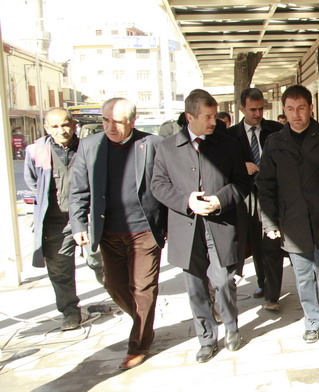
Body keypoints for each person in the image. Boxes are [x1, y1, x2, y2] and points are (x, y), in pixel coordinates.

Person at [151, 89, 251, 363]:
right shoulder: (167, 148)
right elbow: (158, 185)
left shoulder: (228, 145)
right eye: (207, 117)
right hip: (187, 227)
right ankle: (206, 339)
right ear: (190, 117)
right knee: (195, 286)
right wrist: (187, 201)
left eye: (215, 116)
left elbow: (242, 182)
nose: (213, 122)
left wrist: (220, 200)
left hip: (221, 224)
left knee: (223, 280)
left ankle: (231, 328)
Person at [69, 98, 166, 370]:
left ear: (133, 121)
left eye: (118, 122)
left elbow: (166, 185)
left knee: (143, 289)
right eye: (105, 120)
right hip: (108, 232)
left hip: (144, 231)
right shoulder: (89, 146)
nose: (110, 127)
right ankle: (143, 323)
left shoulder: (153, 145)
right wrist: (79, 225)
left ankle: (139, 345)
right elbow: (78, 190)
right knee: (114, 285)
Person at [257, 85, 319, 344]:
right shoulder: (275, 142)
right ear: (284, 110)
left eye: (301, 108)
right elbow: (266, 185)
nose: (296, 114)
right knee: (303, 277)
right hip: (292, 221)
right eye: (290, 109)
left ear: (311, 108)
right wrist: (270, 222)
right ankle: (311, 321)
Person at [24, 108, 104, 331]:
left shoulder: (88, 148)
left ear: (74, 124)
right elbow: (33, 181)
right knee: (59, 269)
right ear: (47, 128)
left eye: (66, 124)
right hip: (55, 220)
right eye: (56, 126)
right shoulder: (36, 151)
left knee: (100, 260)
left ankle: (121, 298)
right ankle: (69, 311)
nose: (62, 130)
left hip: (87, 216)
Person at [224, 87, 285, 311]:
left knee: (272, 245)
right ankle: (261, 282)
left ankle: (272, 295)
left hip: (272, 196)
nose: (258, 114)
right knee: (254, 245)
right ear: (242, 109)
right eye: (252, 110)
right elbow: (222, 166)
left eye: (260, 109)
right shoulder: (230, 136)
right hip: (245, 199)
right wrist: (242, 166)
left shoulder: (276, 130)